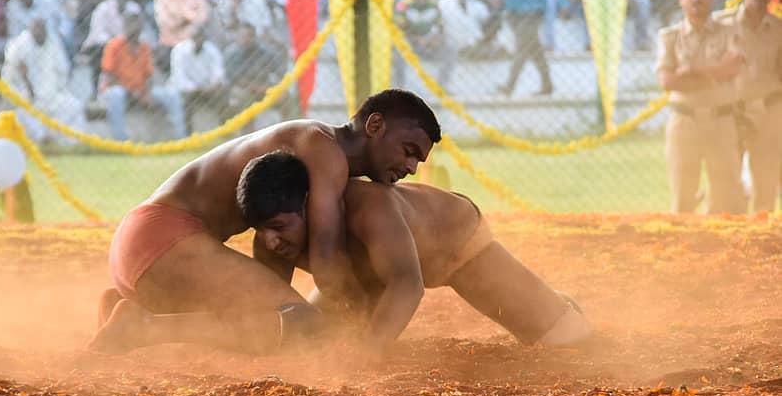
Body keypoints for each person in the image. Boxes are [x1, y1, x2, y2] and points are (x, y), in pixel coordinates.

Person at [89, 90, 441, 354]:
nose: (411, 167)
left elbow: (274, 272)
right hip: (165, 240)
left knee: (275, 323)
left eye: (419, 160)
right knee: (305, 325)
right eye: (409, 150)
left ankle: (139, 309)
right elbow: (326, 258)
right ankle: (141, 327)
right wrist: (359, 331)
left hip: (143, 245)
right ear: (375, 125)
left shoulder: (317, 144)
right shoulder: (324, 151)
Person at [240, 152, 592, 349]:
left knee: (565, 337)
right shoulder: (273, 239)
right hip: (374, 273)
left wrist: (367, 355)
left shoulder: (369, 207)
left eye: (279, 227)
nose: (271, 241)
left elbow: (408, 286)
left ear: (309, 205)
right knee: (312, 338)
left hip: (452, 246)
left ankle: (555, 304)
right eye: (262, 230)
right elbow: (279, 315)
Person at [657, 0, 746, 215]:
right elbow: (667, 80)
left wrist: (691, 72)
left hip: (721, 122)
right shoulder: (670, 37)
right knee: (683, 196)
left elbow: (733, 69)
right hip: (684, 122)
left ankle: (719, 252)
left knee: (725, 197)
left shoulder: (729, 32)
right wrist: (715, 75)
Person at [716, 0, 782, 213]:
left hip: (769, 113)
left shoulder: (779, 30)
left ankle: (762, 245)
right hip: (732, 112)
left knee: (765, 185)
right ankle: (725, 246)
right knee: (725, 183)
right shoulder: (721, 24)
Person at [102, 8, 185, 141]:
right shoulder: (113, 45)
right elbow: (109, 78)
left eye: (137, 23)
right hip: (118, 90)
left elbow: (149, 76)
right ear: (124, 26)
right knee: (116, 94)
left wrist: (145, 93)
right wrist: (131, 92)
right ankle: (121, 142)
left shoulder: (145, 47)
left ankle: (181, 138)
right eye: (130, 23)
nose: (134, 27)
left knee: (172, 95)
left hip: (141, 91)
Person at [2, 16, 88, 144]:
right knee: (23, 113)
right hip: (27, 99)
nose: (40, 33)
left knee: (74, 106)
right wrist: (26, 84)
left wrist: (56, 90)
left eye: (42, 30)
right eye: (36, 30)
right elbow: (9, 82)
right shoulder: (18, 47)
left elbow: (63, 72)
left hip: (53, 97)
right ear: (30, 31)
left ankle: (73, 145)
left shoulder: (53, 42)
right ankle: (43, 140)